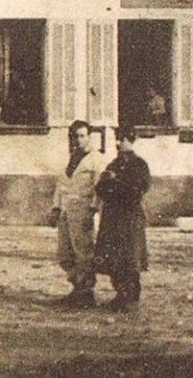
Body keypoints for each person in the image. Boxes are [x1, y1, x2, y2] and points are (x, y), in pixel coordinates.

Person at [95, 125, 151, 311]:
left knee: (129, 256)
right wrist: (110, 181)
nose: (119, 143)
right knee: (113, 257)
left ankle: (130, 295)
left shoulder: (140, 165)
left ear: (131, 140)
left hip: (129, 217)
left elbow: (137, 190)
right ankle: (120, 293)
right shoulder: (113, 164)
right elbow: (100, 189)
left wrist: (115, 181)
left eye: (123, 139)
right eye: (117, 138)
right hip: (113, 216)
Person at [52, 120, 104, 308]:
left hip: (83, 209)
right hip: (66, 209)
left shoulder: (96, 159)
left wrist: (93, 209)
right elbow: (61, 185)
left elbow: (100, 188)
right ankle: (77, 288)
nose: (78, 140)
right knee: (64, 253)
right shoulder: (69, 159)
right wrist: (56, 207)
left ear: (89, 137)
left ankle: (86, 293)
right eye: (75, 136)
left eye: (82, 136)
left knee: (83, 252)